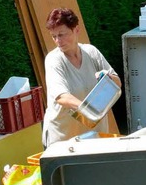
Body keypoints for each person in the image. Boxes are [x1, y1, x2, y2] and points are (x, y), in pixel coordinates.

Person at [41, 8, 121, 147]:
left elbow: (117, 83)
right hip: (63, 140)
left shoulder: (92, 52)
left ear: (76, 30)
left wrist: (108, 77)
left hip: (94, 137)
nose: (58, 41)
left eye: (62, 34)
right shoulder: (53, 60)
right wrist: (90, 111)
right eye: (54, 36)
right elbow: (62, 97)